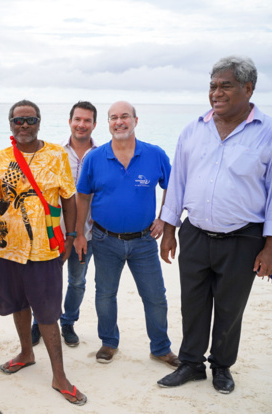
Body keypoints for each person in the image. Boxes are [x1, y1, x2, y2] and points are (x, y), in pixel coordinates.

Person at [157, 56, 272, 394]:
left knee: (230, 307)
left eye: (226, 85)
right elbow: (178, 182)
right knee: (192, 303)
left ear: (248, 88)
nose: (217, 92)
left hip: (243, 237)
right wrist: (169, 229)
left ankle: (222, 367)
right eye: (213, 85)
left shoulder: (271, 133)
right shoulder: (193, 129)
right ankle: (192, 364)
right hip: (194, 232)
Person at [0, 99, 87, 405]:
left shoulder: (56, 155)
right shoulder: (1, 158)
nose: (24, 126)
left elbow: (69, 199)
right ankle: (26, 353)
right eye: (18, 121)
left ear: (39, 122)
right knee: (17, 304)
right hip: (7, 248)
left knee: (47, 312)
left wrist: (71, 236)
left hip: (44, 249)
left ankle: (59, 376)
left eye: (30, 120)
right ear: (11, 125)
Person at [74, 101, 179, 368]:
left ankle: (161, 348)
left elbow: (173, 188)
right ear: (107, 123)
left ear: (135, 120)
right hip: (104, 239)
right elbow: (82, 197)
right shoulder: (95, 158)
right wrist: (79, 234)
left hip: (144, 241)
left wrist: (164, 220)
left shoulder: (154, 154)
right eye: (113, 118)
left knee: (155, 296)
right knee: (105, 294)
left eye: (124, 117)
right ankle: (109, 343)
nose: (119, 122)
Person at [31, 101, 98, 348]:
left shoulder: (102, 154)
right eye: (77, 119)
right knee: (46, 281)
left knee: (77, 281)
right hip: (53, 231)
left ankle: (68, 322)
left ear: (94, 124)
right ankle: (39, 322)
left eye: (87, 120)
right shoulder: (52, 152)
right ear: (70, 121)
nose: (82, 124)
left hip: (87, 233)